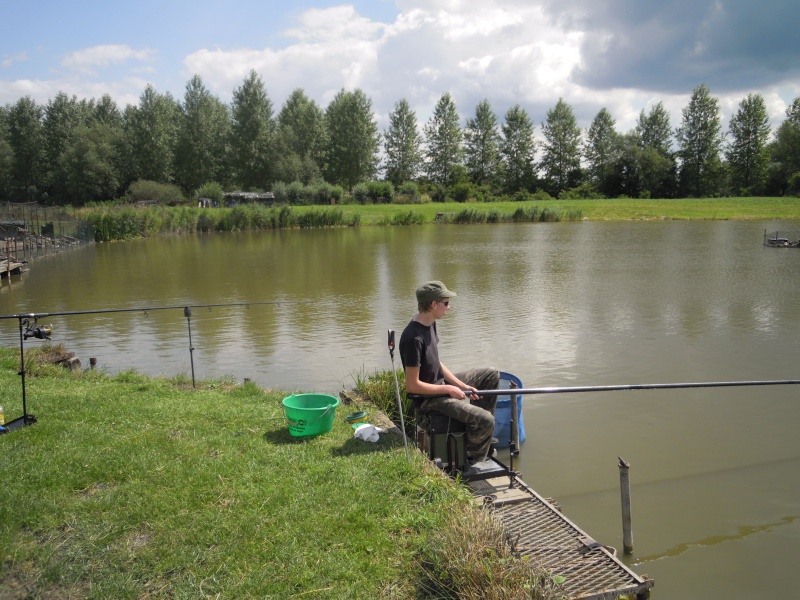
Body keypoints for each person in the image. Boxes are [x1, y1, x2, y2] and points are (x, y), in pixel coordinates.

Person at [399, 280, 500, 463]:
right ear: (433, 304)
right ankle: (472, 458)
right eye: (446, 303)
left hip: (439, 385)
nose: (449, 307)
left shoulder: (429, 323)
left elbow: (435, 361)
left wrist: (460, 385)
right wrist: (448, 390)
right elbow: (412, 386)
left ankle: (477, 437)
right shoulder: (413, 338)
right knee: (487, 420)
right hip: (427, 400)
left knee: (491, 375)